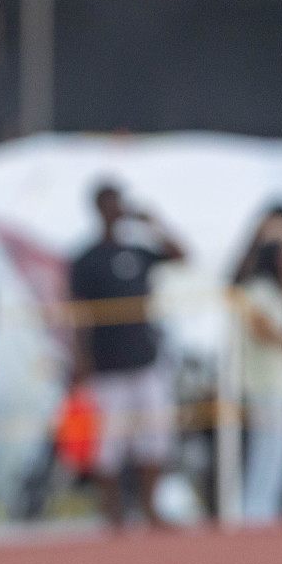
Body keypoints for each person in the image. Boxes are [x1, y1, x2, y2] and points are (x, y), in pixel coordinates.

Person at [68, 183, 186, 528]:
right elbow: (78, 313)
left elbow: (181, 255)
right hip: (107, 366)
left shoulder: (139, 250)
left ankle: (150, 508)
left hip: (145, 359)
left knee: (156, 438)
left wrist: (153, 222)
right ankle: (113, 513)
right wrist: (81, 358)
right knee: (108, 445)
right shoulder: (86, 259)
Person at [235, 238, 282, 523]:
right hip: (264, 384)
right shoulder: (256, 292)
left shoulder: (279, 293)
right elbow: (261, 331)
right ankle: (255, 511)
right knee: (265, 450)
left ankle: (269, 509)